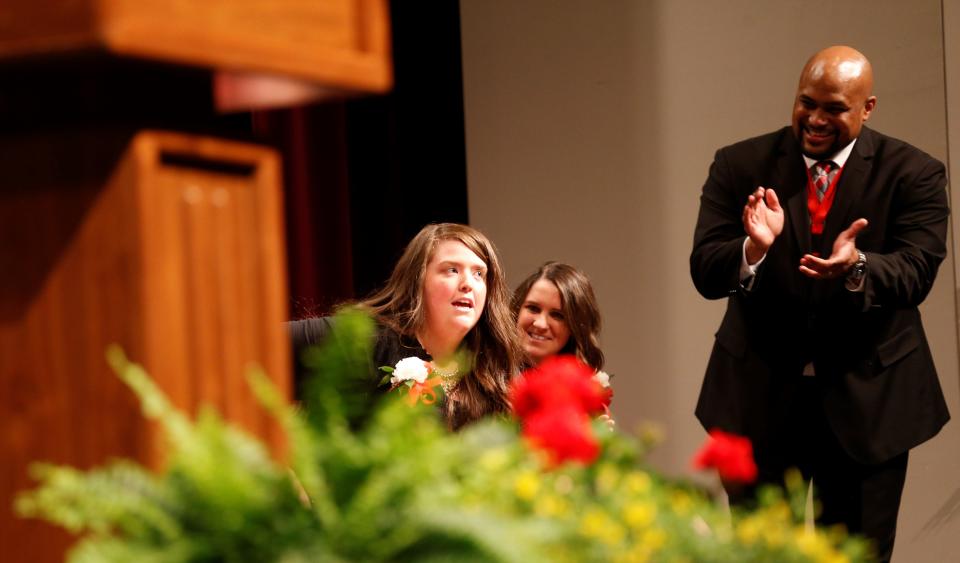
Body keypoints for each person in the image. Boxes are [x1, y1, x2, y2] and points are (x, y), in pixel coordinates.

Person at [690, 45, 950, 562]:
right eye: (806, 102)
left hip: (868, 402)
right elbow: (704, 268)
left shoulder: (915, 173)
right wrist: (752, 250)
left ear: (867, 108)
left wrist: (857, 267)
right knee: (760, 555)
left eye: (833, 108)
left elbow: (916, 271)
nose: (815, 119)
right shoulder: (740, 164)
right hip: (759, 398)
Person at [289, 223, 523, 430]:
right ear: (418, 280)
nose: (467, 284)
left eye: (479, 273)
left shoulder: (493, 371)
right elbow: (262, 343)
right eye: (452, 270)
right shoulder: (368, 339)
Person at [511, 261, 604, 371]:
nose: (540, 324)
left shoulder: (586, 385)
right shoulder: (487, 375)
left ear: (575, 328)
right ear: (517, 310)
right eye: (533, 308)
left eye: (557, 315)